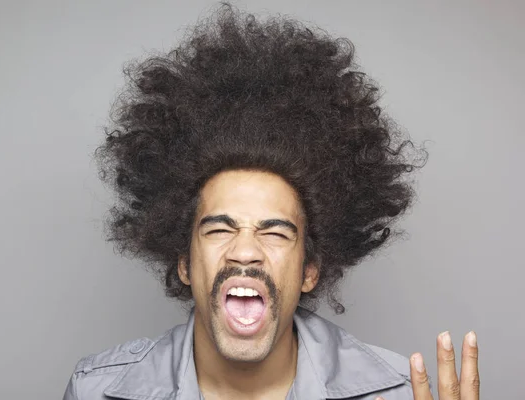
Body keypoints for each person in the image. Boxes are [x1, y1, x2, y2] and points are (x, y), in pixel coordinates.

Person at [62, 4, 480, 400]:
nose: (245, 250)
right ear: (185, 264)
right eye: (220, 228)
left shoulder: (401, 395)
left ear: (310, 271)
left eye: (276, 231)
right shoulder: (96, 392)